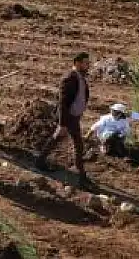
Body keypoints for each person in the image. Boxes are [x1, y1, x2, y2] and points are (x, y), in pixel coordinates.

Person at [35, 52, 92, 187]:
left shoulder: (80, 77)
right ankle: (80, 174)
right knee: (77, 144)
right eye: (85, 63)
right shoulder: (69, 78)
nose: (88, 65)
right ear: (77, 63)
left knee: (68, 141)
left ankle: (40, 160)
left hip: (74, 117)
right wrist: (62, 123)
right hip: (69, 117)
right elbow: (62, 103)